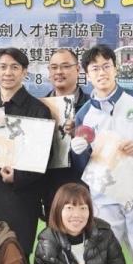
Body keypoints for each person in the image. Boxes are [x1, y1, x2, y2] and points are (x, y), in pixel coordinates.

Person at [71, 45, 133, 248]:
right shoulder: (83, 114)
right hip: (103, 196)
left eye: (106, 66)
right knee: (104, 254)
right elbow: (81, 165)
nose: (102, 73)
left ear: (115, 69)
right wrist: (79, 151)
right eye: (95, 68)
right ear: (87, 75)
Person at [0, 48, 53, 256]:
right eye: (3, 67)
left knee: (17, 255)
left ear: (24, 72)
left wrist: (18, 177)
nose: (8, 72)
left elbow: (45, 157)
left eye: (14, 67)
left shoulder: (38, 110)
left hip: (21, 197)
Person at [42, 48, 90, 217]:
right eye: (54, 67)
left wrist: (80, 134)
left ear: (77, 69)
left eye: (65, 66)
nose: (59, 72)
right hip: (50, 191)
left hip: (86, 190)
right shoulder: (38, 108)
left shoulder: (93, 106)